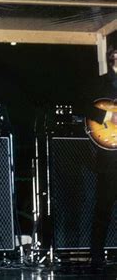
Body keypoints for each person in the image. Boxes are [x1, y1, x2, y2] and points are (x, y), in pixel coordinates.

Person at [85, 39, 117, 270]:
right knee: (104, 206)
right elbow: (82, 106)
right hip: (109, 157)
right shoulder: (99, 84)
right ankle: (96, 254)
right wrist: (108, 118)